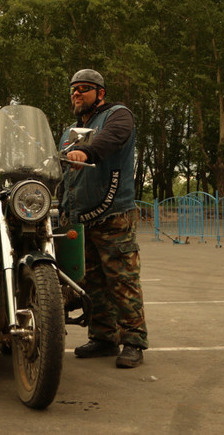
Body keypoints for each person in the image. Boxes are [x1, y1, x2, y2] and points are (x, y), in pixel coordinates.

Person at [58, 69, 148, 368]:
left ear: (100, 93)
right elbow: (58, 170)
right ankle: (103, 337)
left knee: (122, 280)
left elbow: (111, 140)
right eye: (73, 89)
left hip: (113, 215)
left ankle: (134, 340)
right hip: (80, 218)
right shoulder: (68, 130)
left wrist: (87, 151)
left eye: (84, 88)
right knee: (91, 281)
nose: (77, 93)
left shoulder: (118, 115)